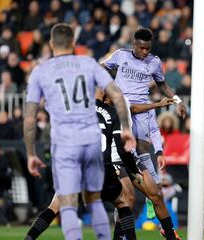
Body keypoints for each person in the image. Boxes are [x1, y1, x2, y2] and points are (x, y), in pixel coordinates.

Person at [24, 23, 135, 240]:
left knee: (65, 205)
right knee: (110, 201)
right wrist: (127, 129)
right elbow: (118, 96)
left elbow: (29, 118)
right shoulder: (88, 64)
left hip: (65, 146)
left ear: (50, 44)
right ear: (73, 43)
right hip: (91, 146)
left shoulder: (40, 71)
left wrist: (30, 153)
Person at [102, 27, 186, 240]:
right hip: (123, 112)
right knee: (128, 195)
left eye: (148, 48)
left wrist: (177, 101)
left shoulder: (154, 62)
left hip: (141, 116)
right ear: (134, 44)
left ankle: (166, 229)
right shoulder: (120, 56)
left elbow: (162, 84)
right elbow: (101, 69)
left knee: (154, 188)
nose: (145, 52)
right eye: (141, 48)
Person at [24, 89, 143, 240]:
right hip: (103, 169)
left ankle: (28, 238)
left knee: (54, 206)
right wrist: (134, 170)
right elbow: (122, 148)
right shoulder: (113, 112)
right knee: (122, 203)